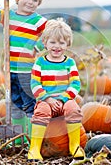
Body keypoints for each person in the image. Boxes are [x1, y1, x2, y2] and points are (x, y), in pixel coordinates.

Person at [0, 0, 47, 143]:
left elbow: (50, 34)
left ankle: (33, 138)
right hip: (9, 70)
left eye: (35, 0)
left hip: (27, 70)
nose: (31, 3)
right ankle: (18, 139)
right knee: (15, 104)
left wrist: (37, 47)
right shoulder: (7, 15)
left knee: (30, 104)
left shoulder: (38, 20)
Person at [28, 18, 84, 161]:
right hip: (46, 100)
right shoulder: (40, 62)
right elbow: (35, 83)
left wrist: (63, 99)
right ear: (45, 43)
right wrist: (47, 98)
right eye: (53, 42)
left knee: (74, 109)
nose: (57, 46)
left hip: (64, 100)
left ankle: (74, 145)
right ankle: (34, 148)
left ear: (68, 44)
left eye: (61, 42)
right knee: (42, 111)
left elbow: (75, 84)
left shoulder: (69, 63)